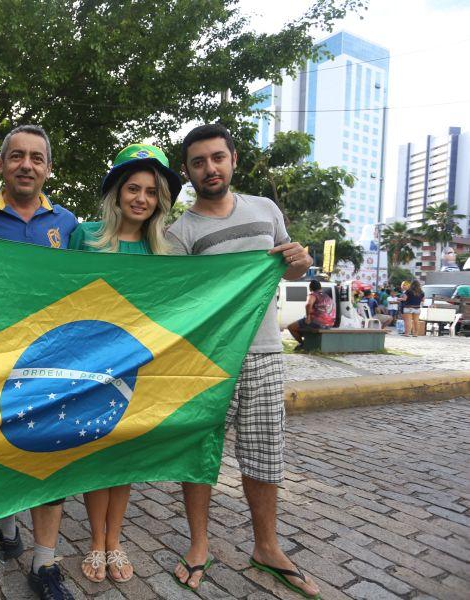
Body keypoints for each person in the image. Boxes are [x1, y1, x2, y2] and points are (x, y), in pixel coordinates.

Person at [165, 124, 319, 599]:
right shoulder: (180, 233)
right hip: (209, 363)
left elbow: (292, 270)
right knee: (200, 453)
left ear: (233, 159)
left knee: (264, 453)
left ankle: (267, 547)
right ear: (187, 172)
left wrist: (301, 258)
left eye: (217, 158)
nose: (209, 168)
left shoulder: (265, 210)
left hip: (266, 353)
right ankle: (198, 545)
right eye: (198, 162)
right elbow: (182, 302)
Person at [68, 143, 182, 583]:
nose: (141, 198)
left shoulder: (163, 252)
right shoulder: (86, 236)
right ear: (117, 192)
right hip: (92, 365)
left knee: (124, 459)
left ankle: (115, 540)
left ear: (160, 201)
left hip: (142, 367)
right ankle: (96, 541)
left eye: (151, 192)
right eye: (133, 188)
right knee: (97, 455)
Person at [0, 125, 78, 600]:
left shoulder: (69, 223)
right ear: (1, 164)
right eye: (16, 156)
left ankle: (44, 561)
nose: (26, 165)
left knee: (50, 454)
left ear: (48, 168)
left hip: (52, 361)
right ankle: (6, 532)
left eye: (36, 158)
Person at [286, 279, 335, 348]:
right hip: (329, 323)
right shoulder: (327, 297)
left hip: (317, 322)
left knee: (291, 327)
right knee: (303, 326)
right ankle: (307, 342)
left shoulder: (313, 295)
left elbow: (308, 304)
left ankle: (302, 344)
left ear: (310, 288)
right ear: (320, 288)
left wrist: (308, 316)